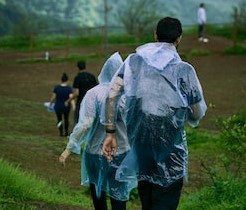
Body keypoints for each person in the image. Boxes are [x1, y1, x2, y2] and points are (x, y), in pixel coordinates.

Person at [102, 17, 207, 210]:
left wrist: (110, 132)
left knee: (147, 200)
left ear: (155, 35)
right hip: (171, 150)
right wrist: (187, 115)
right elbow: (197, 112)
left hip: (142, 147)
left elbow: (112, 95)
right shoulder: (184, 70)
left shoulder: (133, 62)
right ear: (179, 39)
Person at [59, 52, 136, 210]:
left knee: (98, 194)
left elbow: (85, 124)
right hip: (121, 152)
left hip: (95, 152)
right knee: (119, 195)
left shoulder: (94, 93)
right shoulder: (127, 95)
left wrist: (69, 148)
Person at [49, 73, 73, 137]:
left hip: (58, 106)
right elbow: (71, 97)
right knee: (66, 119)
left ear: (61, 80)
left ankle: (61, 132)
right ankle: (66, 132)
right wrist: (70, 103)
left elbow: (53, 97)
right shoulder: (69, 88)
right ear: (67, 80)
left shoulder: (57, 88)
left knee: (59, 119)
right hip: (66, 106)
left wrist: (50, 103)